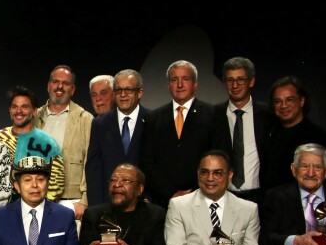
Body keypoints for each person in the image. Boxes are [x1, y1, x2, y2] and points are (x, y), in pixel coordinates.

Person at [141, 60, 214, 207]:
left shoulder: (213, 114)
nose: (180, 85)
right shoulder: (153, 118)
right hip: (163, 201)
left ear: (195, 84)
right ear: (168, 85)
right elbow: (147, 163)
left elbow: (216, 157)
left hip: (202, 199)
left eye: (185, 79)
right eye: (174, 79)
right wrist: (171, 193)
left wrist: (193, 193)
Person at [83, 69, 152, 207]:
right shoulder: (99, 124)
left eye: (128, 90)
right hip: (109, 204)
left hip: (143, 204)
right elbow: (94, 169)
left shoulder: (152, 120)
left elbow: (156, 166)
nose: (123, 95)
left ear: (140, 93)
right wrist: (97, 207)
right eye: (119, 90)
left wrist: (150, 200)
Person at [211, 57, 274, 205]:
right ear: (224, 83)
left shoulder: (268, 115)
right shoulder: (213, 115)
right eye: (230, 80)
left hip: (261, 197)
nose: (235, 85)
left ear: (251, 81)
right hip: (224, 196)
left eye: (240, 79)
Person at [34, 65, 93, 218]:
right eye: (55, 82)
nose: (59, 87)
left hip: (71, 200)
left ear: (72, 89)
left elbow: (91, 162)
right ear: (49, 86)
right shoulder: (34, 117)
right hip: (37, 198)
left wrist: (84, 200)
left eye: (65, 83)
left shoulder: (85, 119)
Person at [0, 86, 66, 203]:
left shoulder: (48, 144)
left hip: (37, 209)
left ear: (35, 111)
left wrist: (39, 209)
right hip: (2, 208)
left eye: (24, 106)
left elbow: (57, 184)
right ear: (10, 110)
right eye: (14, 107)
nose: (19, 111)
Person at [262, 76, 326, 190]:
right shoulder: (268, 134)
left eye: (289, 100)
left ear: (301, 101)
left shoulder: (320, 137)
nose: (283, 105)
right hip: (270, 200)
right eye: (278, 101)